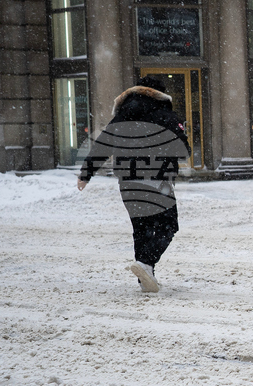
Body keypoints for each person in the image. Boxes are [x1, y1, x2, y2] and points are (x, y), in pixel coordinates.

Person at [77, 76, 189, 292]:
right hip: (157, 179)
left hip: (128, 181)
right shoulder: (166, 115)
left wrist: (85, 174)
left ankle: (146, 278)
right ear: (160, 94)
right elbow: (182, 150)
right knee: (168, 225)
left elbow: (102, 145)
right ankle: (146, 264)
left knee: (142, 228)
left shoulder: (121, 116)